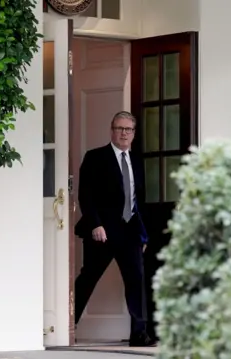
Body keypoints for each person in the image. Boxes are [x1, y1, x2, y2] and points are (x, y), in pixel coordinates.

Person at [73, 111, 156, 347]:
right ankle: (68, 325)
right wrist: (95, 224)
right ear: (112, 130)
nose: (124, 133)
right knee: (88, 277)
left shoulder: (137, 160)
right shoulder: (95, 157)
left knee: (137, 281)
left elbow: (139, 200)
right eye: (120, 128)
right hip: (103, 232)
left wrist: (144, 234)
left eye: (128, 129)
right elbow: (85, 196)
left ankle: (139, 334)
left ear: (134, 133)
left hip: (130, 232)